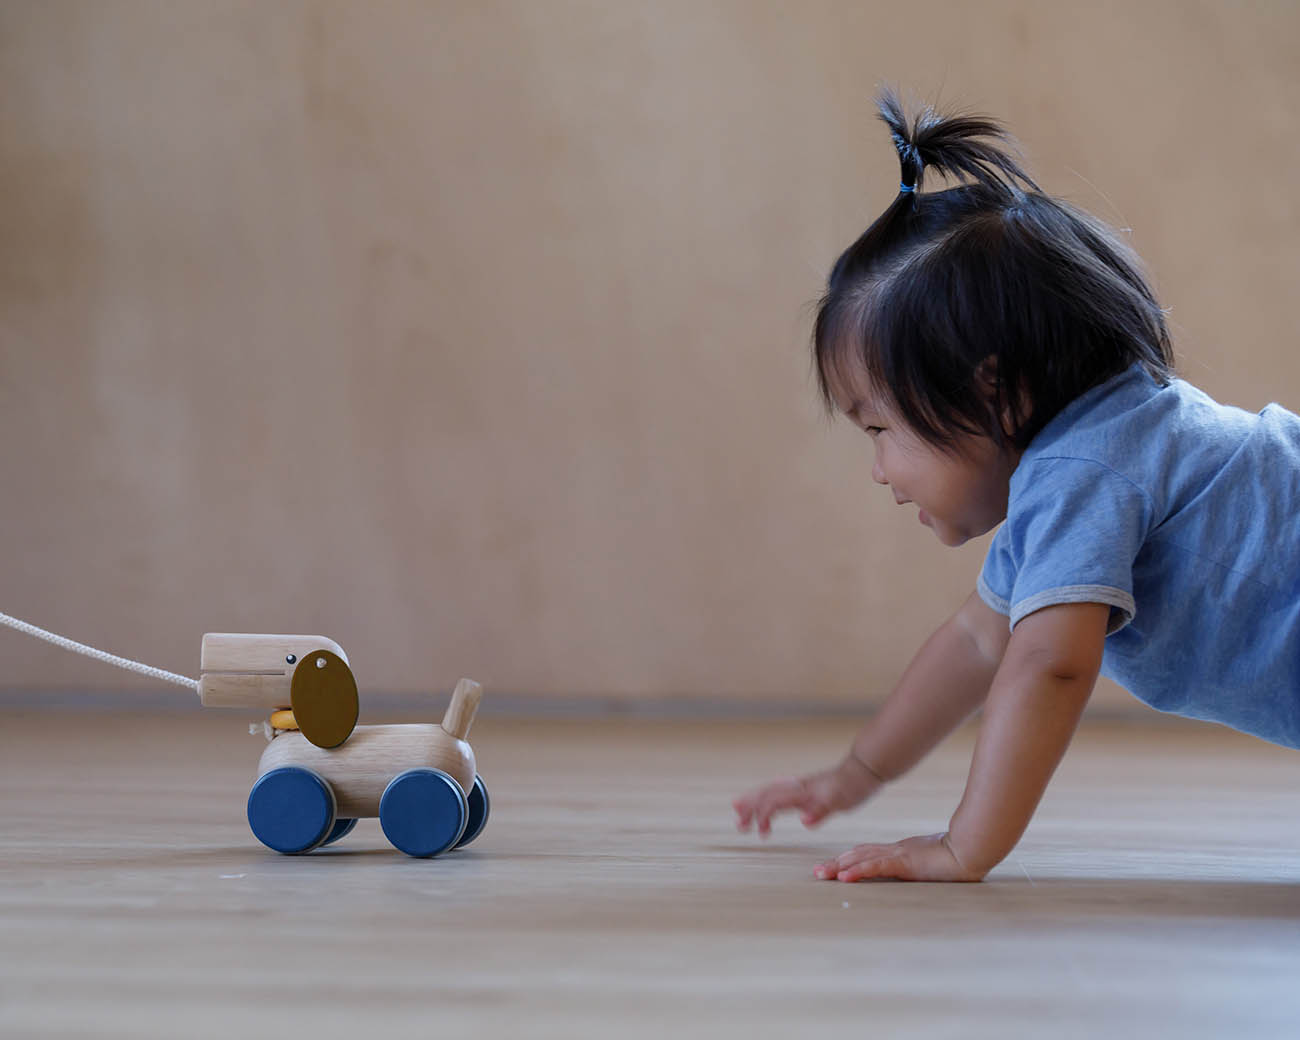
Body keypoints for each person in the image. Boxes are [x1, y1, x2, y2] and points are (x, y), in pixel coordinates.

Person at [732, 88, 1300, 882]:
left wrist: (966, 844)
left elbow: (1050, 667)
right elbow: (975, 643)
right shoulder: (1090, 461)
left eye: (879, 429)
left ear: (995, 391)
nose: (879, 470)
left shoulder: (1084, 472)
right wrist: (856, 774)